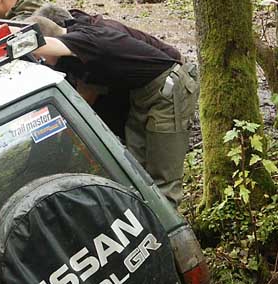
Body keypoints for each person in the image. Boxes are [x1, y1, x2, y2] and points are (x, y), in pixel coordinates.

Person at [26, 14, 199, 209]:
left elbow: (47, 45)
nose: (42, 62)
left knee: (163, 180)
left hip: (166, 89)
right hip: (140, 93)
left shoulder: (88, 40)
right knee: (137, 172)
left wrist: (8, 39)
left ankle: (171, 233)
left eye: (40, 57)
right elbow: (85, 95)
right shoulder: (78, 48)